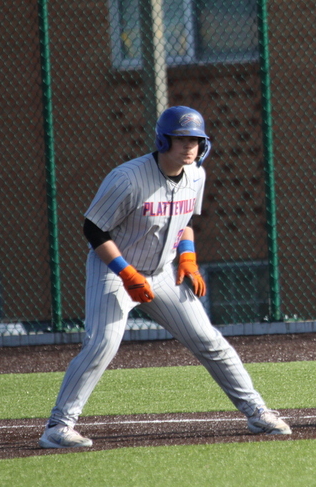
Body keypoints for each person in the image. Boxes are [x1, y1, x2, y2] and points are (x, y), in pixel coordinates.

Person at [39, 106, 291, 448]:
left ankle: (257, 412)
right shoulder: (128, 178)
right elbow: (94, 228)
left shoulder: (196, 175)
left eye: (196, 140)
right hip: (113, 271)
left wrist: (188, 259)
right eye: (182, 139)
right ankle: (58, 427)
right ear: (162, 140)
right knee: (102, 344)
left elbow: (185, 222)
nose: (190, 146)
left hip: (161, 274)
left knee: (209, 341)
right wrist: (126, 273)